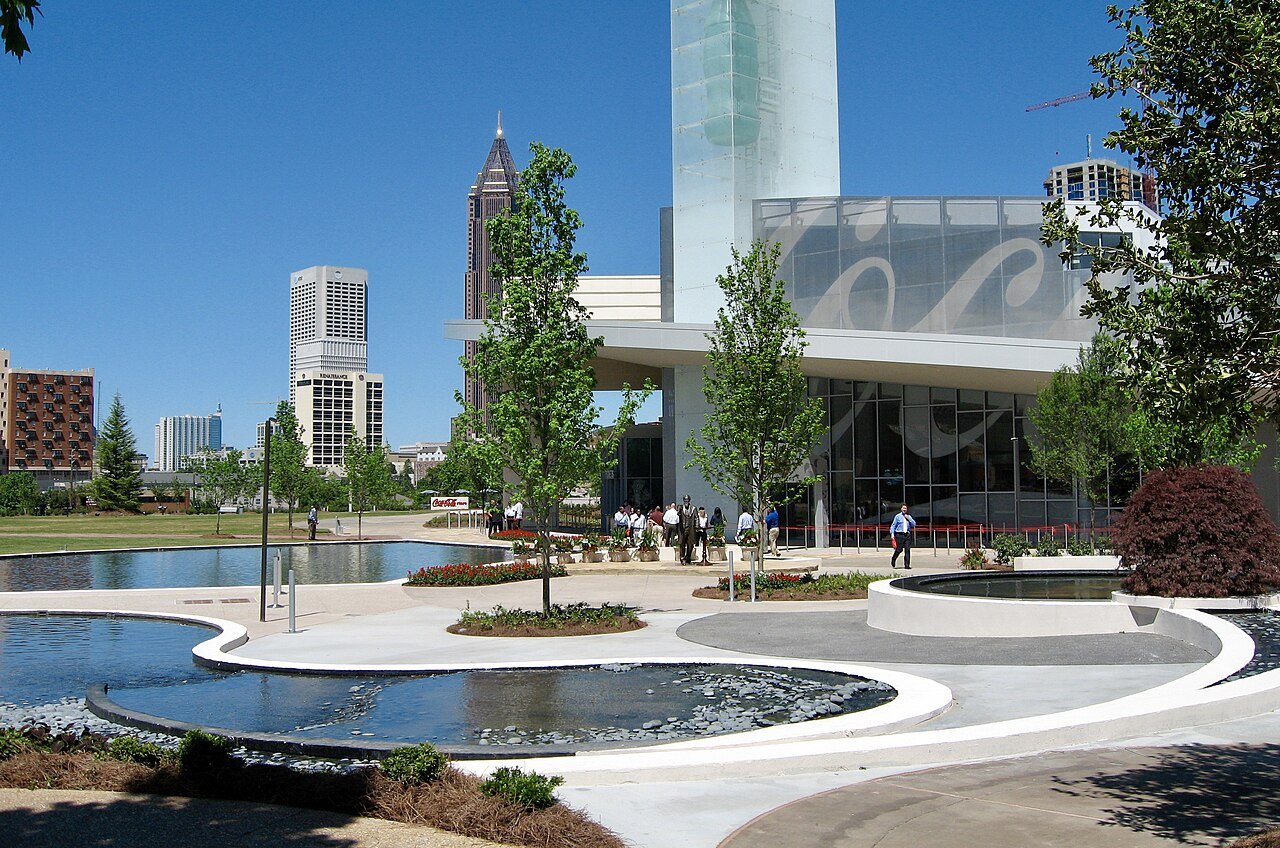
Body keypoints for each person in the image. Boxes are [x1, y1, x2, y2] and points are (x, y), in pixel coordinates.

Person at [890, 503, 916, 569]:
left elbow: (914, 524)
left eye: (905, 508)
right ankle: (893, 558)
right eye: (903, 508)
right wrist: (892, 534)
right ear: (901, 509)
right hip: (899, 534)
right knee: (899, 549)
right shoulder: (897, 516)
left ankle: (907, 565)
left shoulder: (909, 516)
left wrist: (909, 519)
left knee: (907, 549)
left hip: (907, 534)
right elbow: (893, 526)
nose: (904, 509)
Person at [679, 495, 698, 564]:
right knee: (682, 544)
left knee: (690, 544)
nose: (686, 502)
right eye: (685, 500)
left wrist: (697, 526)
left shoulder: (693, 508)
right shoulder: (680, 508)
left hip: (691, 528)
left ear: (689, 500)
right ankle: (682, 558)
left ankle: (688, 557)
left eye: (687, 500)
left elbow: (696, 517)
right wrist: (679, 511)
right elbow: (678, 515)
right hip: (683, 529)